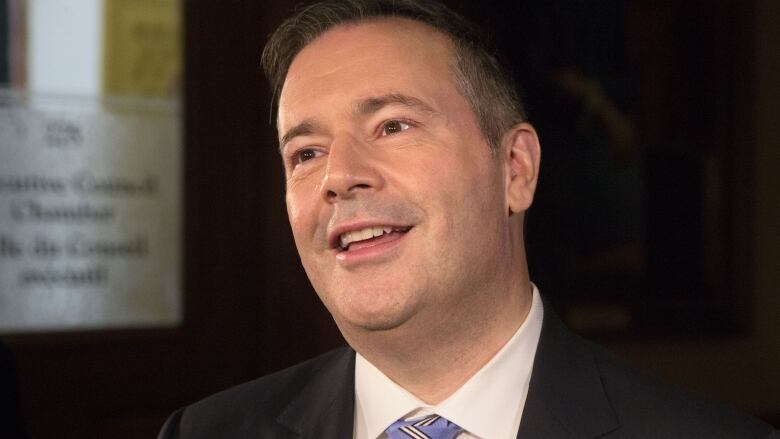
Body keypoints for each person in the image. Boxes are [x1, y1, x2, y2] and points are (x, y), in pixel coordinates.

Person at [159, 1, 778, 437]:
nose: (338, 176)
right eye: (306, 153)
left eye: (393, 125)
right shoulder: (204, 432)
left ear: (515, 169)